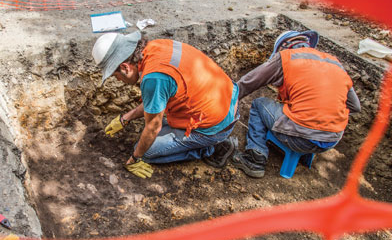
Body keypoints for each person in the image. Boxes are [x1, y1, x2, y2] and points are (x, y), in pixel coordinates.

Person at [92, 31, 239, 179]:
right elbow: (156, 99)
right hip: (225, 100)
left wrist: (134, 159)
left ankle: (213, 148)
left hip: (215, 124)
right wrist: (125, 118)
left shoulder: (153, 77)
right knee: (151, 132)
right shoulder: (156, 47)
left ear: (125, 67)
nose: (117, 80)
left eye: (114, 75)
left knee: (146, 152)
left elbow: (153, 128)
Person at [232, 30, 361, 178]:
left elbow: (248, 83)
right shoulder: (335, 63)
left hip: (301, 138)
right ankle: (304, 150)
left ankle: (254, 158)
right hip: (332, 140)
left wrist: (227, 102)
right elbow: (355, 106)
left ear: (282, 47)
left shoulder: (285, 57)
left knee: (259, 104)